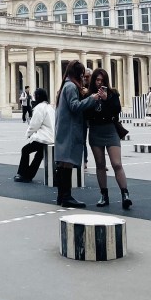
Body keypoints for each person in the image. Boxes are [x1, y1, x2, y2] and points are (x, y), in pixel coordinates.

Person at [87, 67, 133, 210]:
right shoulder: (89, 95)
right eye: (97, 79)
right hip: (95, 131)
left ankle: (125, 194)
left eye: (102, 80)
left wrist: (106, 99)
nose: (99, 83)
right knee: (100, 165)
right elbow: (86, 113)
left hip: (110, 130)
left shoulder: (113, 94)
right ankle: (104, 195)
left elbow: (117, 109)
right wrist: (92, 100)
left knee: (116, 163)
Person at [54, 61, 97, 208]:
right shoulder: (71, 87)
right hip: (70, 130)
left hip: (64, 129)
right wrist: (92, 99)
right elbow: (74, 106)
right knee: (67, 162)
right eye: (82, 74)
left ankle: (62, 195)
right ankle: (66, 196)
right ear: (78, 74)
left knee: (63, 163)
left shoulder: (65, 85)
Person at [14, 88, 55, 182]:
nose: (33, 97)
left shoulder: (39, 108)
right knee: (39, 156)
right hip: (52, 137)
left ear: (38, 96)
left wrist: (28, 134)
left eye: (34, 95)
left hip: (44, 138)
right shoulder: (50, 107)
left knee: (25, 150)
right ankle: (29, 175)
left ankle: (22, 174)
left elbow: (34, 124)